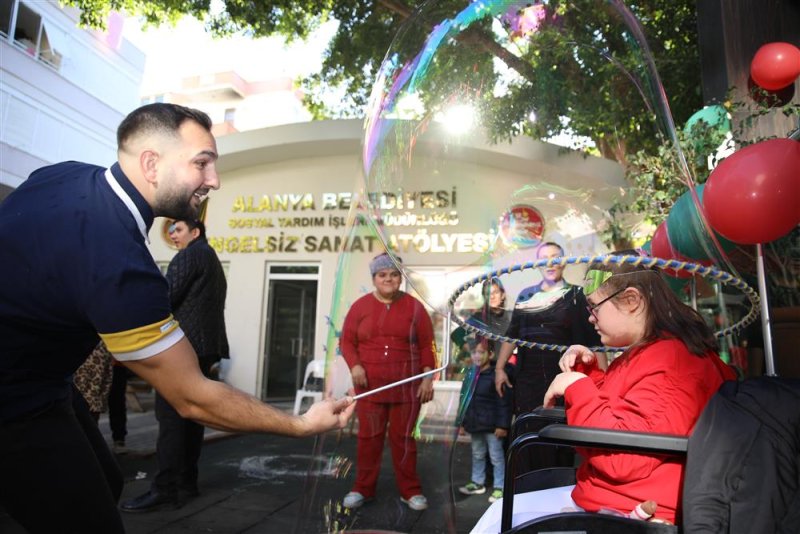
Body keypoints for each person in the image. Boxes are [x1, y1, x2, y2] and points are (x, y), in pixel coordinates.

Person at [0, 103, 354, 533]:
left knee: (108, 480)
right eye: (201, 164)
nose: (215, 181)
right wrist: (301, 423)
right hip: (16, 402)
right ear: (151, 163)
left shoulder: (62, 174)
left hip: (45, 381)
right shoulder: (120, 263)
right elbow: (192, 397)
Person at [472, 253, 737, 532]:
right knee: (498, 512)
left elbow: (624, 458)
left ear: (632, 301)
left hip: (630, 512)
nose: (589, 318)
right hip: (614, 499)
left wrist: (576, 386)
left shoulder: (673, 362)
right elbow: (620, 413)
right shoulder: (652, 354)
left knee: (495, 520)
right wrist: (588, 375)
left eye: (594, 307)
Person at [122, 218, 229, 512]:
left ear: (195, 232)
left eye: (179, 230)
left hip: (184, 347)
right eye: (171, 230)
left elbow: (164, 298)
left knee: (170, 417)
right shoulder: (210, 257)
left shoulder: (190, 255)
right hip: (205, 347)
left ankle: (165, 489)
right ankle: (186, 482)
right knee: (192, 415)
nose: (173, 234)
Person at [340, 252, 436, 511]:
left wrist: (428, 377)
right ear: (374, 278)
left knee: (404, 439)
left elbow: (427, 345)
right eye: (383, 274)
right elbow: (346, 341)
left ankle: (410, 491)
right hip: (369, 388)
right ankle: (362, 488)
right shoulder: (360, 307)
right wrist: (355, 365)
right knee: (368, 439)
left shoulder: (415, 307)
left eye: (394, 275)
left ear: (400, 278)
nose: (389, 279)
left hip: (408, 387)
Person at [495, 242, 600, 416]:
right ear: (537, 264)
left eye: (555, 258)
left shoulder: (577, 295)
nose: (550, 263)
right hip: (528, 382)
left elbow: (594, 342)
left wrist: (601, 380)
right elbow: (512, 335)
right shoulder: (526, 296)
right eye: (544, 259)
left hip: (565, 379)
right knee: (528, 431)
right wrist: (499, 369)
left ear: (564, 262)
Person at [458, 339, 513, 504]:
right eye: (474, 352)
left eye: (481, 352)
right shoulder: (469, 375)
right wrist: (461, 422)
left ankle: (500, 486)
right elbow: (464, 401)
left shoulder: (495, 376)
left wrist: (503, 425)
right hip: (475, 425)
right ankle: (477, 482)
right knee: (477, 454)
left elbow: (503, 403)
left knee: (496, 457)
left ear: (490, 354)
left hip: (492, 427)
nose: (476, 355)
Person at [451, 278, 511, 364]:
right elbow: (456, 335)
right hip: (487, 369)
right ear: (484, 296)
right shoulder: (479, 317)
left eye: (496, 292)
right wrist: (475, 351)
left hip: (508, 368)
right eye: (487, 294)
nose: (492, 297)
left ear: (503, 295)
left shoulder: (511, 317)